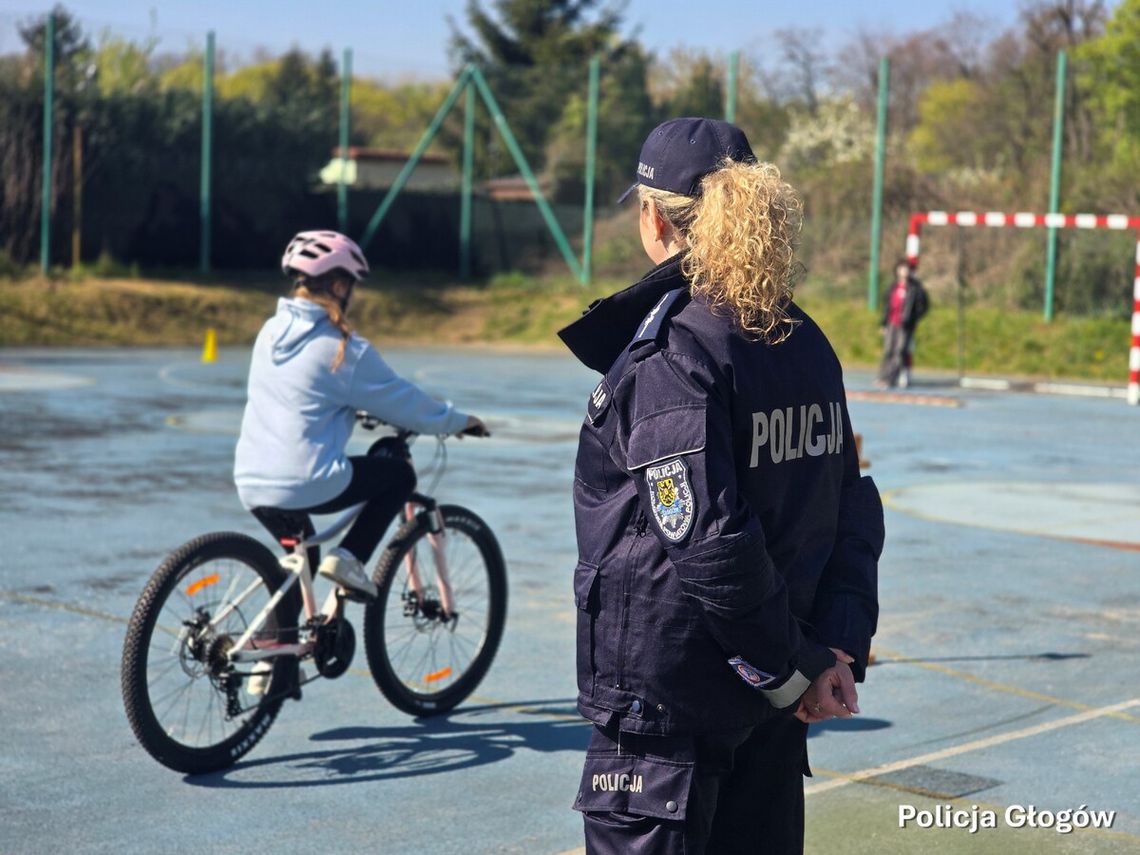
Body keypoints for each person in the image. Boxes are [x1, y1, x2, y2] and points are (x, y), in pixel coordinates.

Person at [558, 118, 884, 855]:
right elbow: (851, 508)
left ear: (653, 218)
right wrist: (829, 649)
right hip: (770, 708)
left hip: (667, 714)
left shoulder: (677, 348)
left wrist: (798, 668)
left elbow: (708, 545)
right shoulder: (803, 338)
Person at [234, 230, 487, 600]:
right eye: (350, 285)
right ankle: (350, 558)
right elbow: (404, 401)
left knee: (300, 562)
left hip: (252, 481)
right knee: (399, 476)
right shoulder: (341, 349)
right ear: (338, 286)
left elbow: (304, 392)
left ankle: (280, 651)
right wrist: (457, 421)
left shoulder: (269, 333)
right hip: (304, 481)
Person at [876, 259, 929, 389]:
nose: (904, 272)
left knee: (899, 351)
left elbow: (923, 306)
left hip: (905, 325)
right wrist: (883, 324)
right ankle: (882, 376)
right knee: (888, 349)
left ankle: (891, 378)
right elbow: (887, 307)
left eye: (906, 269)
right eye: (901, 268)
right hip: (891, 323)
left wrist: (913, 319)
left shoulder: (914, 288)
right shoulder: (893, 287)